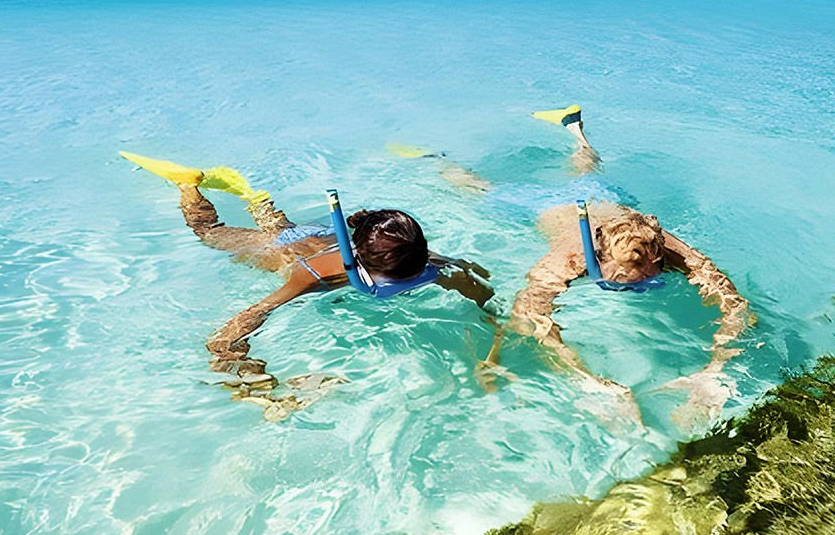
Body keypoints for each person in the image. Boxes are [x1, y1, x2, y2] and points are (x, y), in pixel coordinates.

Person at [409, 106, 751, 426]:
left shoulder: (663, 245)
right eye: (623, 282)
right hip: (548, 207)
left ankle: (574, 127)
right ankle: (436, 157)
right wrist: (588, 382)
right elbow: (528, 315)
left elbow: (734, 303)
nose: (636, 289)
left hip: (601, 194)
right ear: (597, 258)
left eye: (649, 280)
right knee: (481, 189)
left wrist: (715, 371)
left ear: (658, 255)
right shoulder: (569, 257)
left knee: (588, 168)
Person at [120, 151, 494, 417]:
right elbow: (251, 315)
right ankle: (189, 187)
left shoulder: (421, 259)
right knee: (211, 234)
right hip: (289, 253)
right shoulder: (313, 275)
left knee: (286, 228)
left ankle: (261, 202)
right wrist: (235, 359)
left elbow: (482, 291)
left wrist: (491, 346)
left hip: (318, 238)